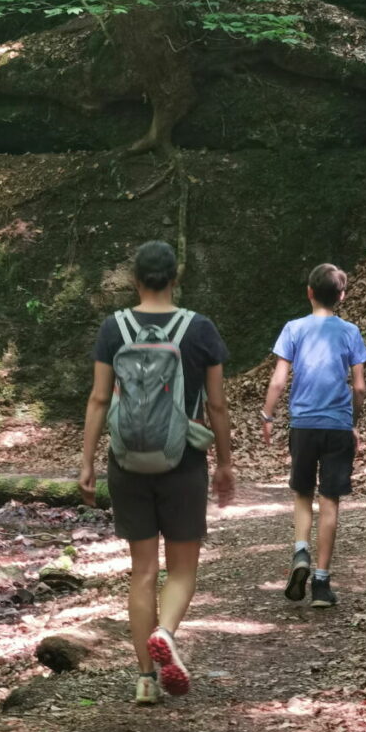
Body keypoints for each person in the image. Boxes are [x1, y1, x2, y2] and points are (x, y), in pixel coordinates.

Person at [79, 241, 235, 705]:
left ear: (135, 280)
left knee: (142, 571)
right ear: (175, 278)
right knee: (182, 570)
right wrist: (224, 462)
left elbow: (99, 399)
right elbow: (218, 405)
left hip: (127, 461)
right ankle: (165, 633)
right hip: (182, 460)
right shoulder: (199, 329)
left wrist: (87, 461)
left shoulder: (115, 328)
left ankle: (145, 679)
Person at [261, 263, 366, 608]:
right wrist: (354, 421)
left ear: (309, 292)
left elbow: (279, 380)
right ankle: (321, 584)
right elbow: (360, 386)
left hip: (303, 425)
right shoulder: (350, 331)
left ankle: (300, 552)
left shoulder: (293, 329)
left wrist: (268, 415)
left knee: (303, 492)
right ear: (342, 296)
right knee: (331, 500)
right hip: (337, 424)